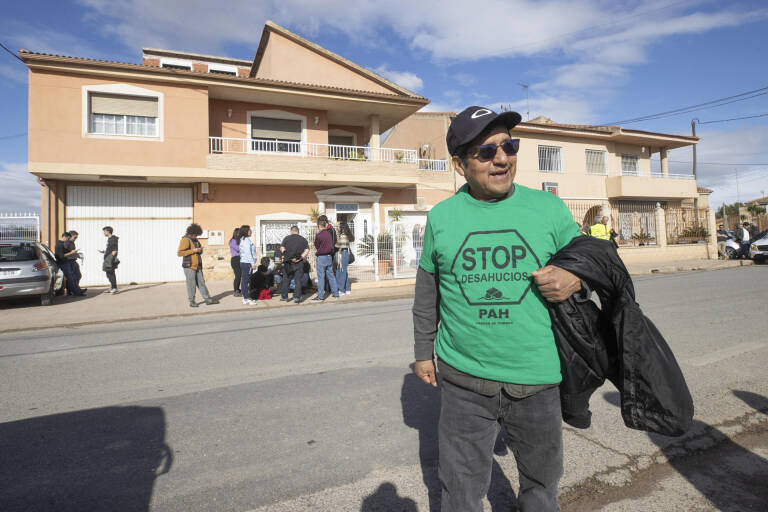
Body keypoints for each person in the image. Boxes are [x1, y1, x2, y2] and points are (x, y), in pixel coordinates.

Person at [412, 106, 583, 512]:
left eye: (509, 145)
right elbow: (427, 294)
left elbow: (599, 262)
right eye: (486, 152)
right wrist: (423, 352)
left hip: (539, 377)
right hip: (464, 380)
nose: (503, 158)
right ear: (460, 164)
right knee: (460, 488)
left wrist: (578, 278)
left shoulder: (550, 209)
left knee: (542, 486)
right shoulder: (441, 217)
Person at [177, 223, 219, 308]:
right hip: (189, 266)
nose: (196, 236)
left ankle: (208, 299)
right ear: (191, 233)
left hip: (198, 265)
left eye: (197, 235)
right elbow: (180, 253)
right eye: (195, 235)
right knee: (191, 284)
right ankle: (192, 301)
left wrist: (200, 250)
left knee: (201, 283)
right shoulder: (185, 240)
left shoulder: (195, 240)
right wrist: (193, 250)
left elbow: (198, 250)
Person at [279, 226, 310, 303]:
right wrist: (301, 257)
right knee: (298, 280)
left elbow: (282, 248)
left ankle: (284, 297)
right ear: (298, 231)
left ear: (291, 231)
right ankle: (296, 298)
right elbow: (307, 250)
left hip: (288, 263)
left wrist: (287, 255)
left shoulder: (286, 238)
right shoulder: (303, 239)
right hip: (299, 263)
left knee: (286, 280)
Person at [313, 218, 339, 301]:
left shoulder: (319, 235)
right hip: (329, 257)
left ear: (319, 226)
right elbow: (332, 245)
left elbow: (316, 245)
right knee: (331, 276)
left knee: (321, 277)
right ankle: (336, 293)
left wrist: (317, 235)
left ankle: (320, 296)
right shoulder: (329, 234)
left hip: (322, 257)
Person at [55, 232, 86, 296]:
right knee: (72, 278)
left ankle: (75, 291)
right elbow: (62, 256)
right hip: (65, 263)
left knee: (73, 277)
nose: (75, 239)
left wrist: (76, 254)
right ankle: (76, 291)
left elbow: (66, 253)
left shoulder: (63, 243)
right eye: (75, 237)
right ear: (66, 237)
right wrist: (72, 253)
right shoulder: (61, 244)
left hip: (67, 262)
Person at [238, 225, 258, 305]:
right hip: (247, 263)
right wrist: (252, 263)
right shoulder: (245, 240)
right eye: (249, 230)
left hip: (246, 262)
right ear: (246, 231)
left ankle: (246, 297)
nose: (251, 231)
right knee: (245, 281)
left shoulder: (245, 240)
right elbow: (248, 253)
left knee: (246, 281)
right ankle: (246, 298)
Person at [98, 226, 119, 294]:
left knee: (110, 273)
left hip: (110, 259)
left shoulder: (112, 239)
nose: (104, 233)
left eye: (104, 231)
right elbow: (111, 249)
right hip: (108, 258)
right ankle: (112, 287)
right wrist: (105, 251)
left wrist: (110, 260)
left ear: (108, 231)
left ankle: (114, 288)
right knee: (109, 273)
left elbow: (114, 250)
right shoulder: (110, 239)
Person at [335, 221, 354, 295]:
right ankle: (347, 289)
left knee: (341, 272)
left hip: (343, 254)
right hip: (346, 254)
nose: (338, 228)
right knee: (344, 271)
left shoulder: (343, 236)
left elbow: (337, 246)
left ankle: (342, 290)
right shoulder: (347, 235)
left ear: (342, 228)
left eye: (339, 227)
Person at [66, 230, 86, 294]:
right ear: (70, 236)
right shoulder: (66, 243)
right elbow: (66, 254)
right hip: (69, 262)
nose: (75, 239)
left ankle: (72, 290)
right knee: (74, 277)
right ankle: (75, 290)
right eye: (75, 238)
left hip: (73, 261)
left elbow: (72, 252)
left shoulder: (72, 243)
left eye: (76, 238)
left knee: (77, 276)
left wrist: (77, 255)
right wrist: (74, 254)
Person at [229, 227, 242, 297]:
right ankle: (235, 290)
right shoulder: (232, 241)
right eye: (239, 233)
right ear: (236, 233)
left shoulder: (239, 240)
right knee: (238, 275)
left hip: (240, 259)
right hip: (235, 260)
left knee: (240, 275)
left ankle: (238, 289)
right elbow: (238, 249)